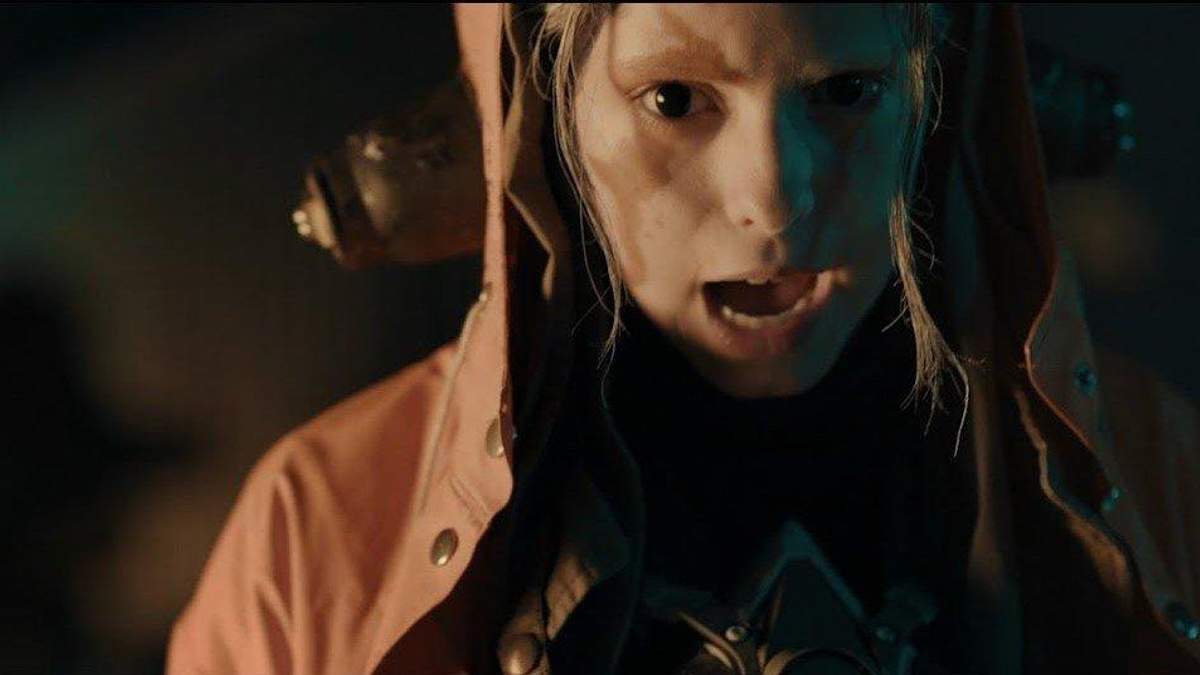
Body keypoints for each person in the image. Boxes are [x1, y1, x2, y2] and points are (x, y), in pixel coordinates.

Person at [166, 4, 1200, 674]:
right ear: (545, 120)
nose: (776, 203)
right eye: (674, 100)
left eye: (846, 91)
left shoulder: (1155, 466)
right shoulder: (316, 534)